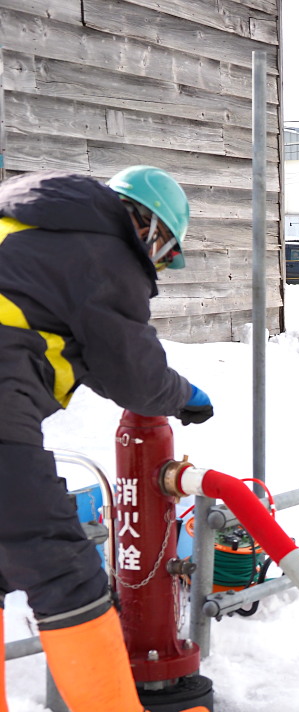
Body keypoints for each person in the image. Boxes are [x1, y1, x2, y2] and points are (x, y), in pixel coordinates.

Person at [0, 167, 214, 712]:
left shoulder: (31, 222)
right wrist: (182, 395)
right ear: (151, 227)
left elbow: (72, 334)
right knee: (64, 573)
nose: (158, 266)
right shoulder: (106, 249)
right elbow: (131, 373)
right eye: (165, 254)